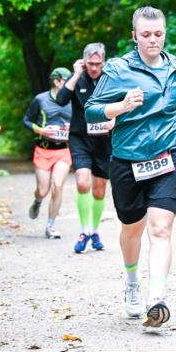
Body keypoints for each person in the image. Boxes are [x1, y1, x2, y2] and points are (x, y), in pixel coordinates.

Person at [84, 6, 176, 328]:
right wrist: (120, 107)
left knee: (161, 228)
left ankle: (156, 301)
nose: (153, 40)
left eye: (158, 34)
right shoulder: (117, 69)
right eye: (146, 35)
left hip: (169, 154)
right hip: (128, 158)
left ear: (164, 33)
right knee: (131, 229)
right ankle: (131, 283)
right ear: (134, 36)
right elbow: (91, 111)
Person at [55, 43, 116, 254]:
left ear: (104, 62)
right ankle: (84, 231)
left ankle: (95, 231)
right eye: (90, 64)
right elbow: (61, 100)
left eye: (98, 64)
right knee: (82, 182)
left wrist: (114, 120)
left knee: (99, 190)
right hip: (80, 138)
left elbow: (124, 105)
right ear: (84, 62)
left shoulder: (111, 81)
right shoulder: (78, 78)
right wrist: (75, 73)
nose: (94, 68)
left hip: (103, 141)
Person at [23, 69, 73, 239]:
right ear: (57, 82)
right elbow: (26, 120)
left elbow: (82, 121)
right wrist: (42, 130)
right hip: (43, 149)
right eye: (67, 80)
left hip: (64, 150)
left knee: (57, 185)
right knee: (43, 190)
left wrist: (71, 129)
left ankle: (50, 226)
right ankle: (37, 201)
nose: (70, 83)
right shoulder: (40, 99)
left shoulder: (73, 100)